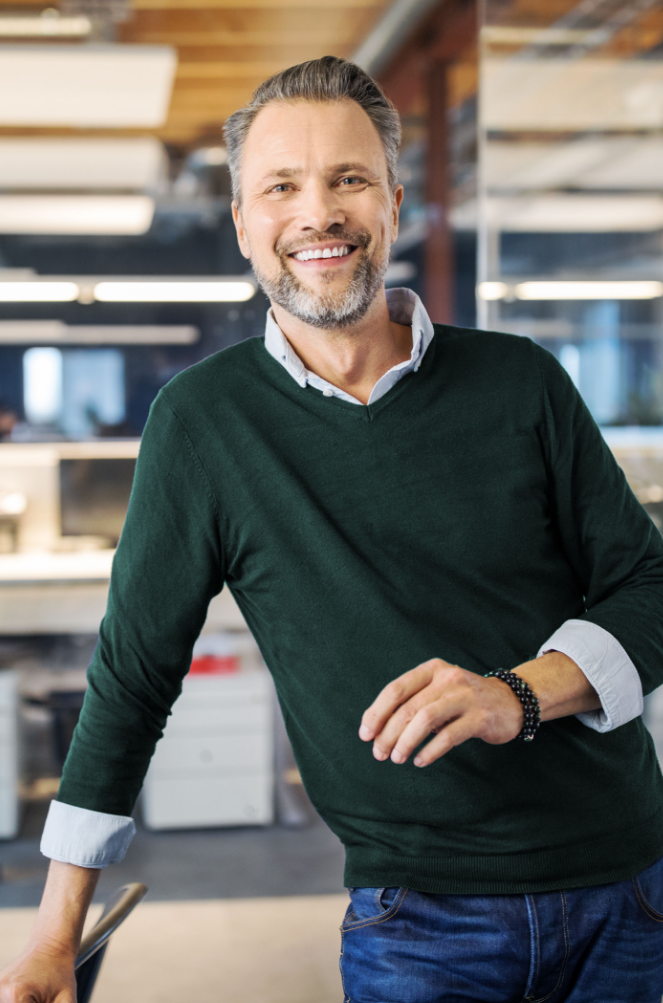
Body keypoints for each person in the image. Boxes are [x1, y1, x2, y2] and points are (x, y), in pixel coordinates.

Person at [2, 56, 663, 1003]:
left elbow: (648, 588)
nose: (318, 213)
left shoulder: (521, 381)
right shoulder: (203, 422)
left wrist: (512, 694)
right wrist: (55, 934)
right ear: (242, 222)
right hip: (418, 920)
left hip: (627, 888)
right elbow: (133, 676)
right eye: (281, 186)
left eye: (348, 178)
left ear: (392, 201)